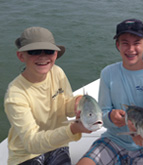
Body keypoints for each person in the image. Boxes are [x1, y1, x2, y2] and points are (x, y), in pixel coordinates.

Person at [77, 19, 143, 165]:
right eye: (125, 43)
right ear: (117, 45)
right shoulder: (108, 73)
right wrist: (111, 117)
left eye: (137, 43)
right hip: (113, 139)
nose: (131, 49)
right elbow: (103, 113)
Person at [4, 27, 91, 165]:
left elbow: (66, 106)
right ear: (21, 56)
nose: (43, 56)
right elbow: (31, 143)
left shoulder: (57, 72)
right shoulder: (15, 94)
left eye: (49, 51)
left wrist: (77, 103)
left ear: (55, 54)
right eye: (34, 51)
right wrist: (73, 129)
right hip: (27, 153)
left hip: (57, 144)